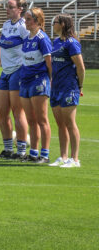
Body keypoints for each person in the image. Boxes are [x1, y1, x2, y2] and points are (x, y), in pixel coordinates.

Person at [0, 0, 31, 159]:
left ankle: (21, 150)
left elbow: (29, 46)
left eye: (10, 7)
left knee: (18, 112)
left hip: (18, 70)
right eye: (7, 6)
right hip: (5, 71)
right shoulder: (5, 24)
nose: (7, 9)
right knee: (1, 111)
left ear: (20, 9)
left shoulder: (24, 26)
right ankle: (8, 148)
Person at [49, 14, 85, 168]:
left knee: (70, 123)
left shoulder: (72, 43)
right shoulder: (56, 42)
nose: (53, 25)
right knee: (60, 124)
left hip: (68, 87)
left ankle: (75, 159)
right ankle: (63, 156)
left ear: (62, 24)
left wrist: (79, 86)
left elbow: (80, 67)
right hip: (56, 86)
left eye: (55, 22)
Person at [20, 7, 53, 163]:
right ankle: (33, 152)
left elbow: (49, 63)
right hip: (25, 81)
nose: (25, 22)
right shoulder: (27, 39)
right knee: (30, 119)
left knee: (42, 119)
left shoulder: (42, 38)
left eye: (28, 19)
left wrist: (52, 80)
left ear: (37, 21)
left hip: (39, 80)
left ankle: (44, 154)